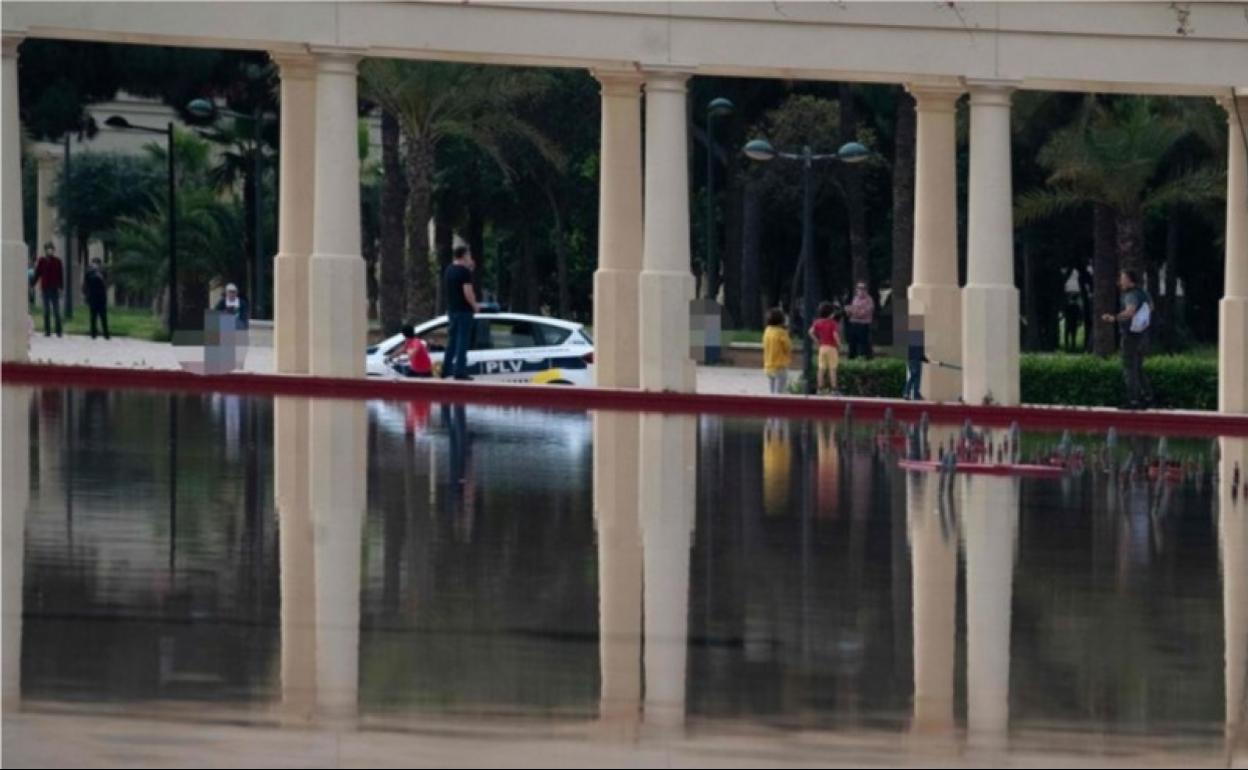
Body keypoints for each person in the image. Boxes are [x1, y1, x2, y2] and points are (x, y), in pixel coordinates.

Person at [1101, 269, 1153, 410]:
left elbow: (1130, 312)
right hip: (1142, 335)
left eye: (1123, 278)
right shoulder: (1143, 293)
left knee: (1129, 368)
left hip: (1130, 336)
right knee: (1139, 368)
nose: (1120, 281)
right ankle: (1148, 397)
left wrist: (1114, 318)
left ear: (1130, 280)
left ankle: (1133, 400)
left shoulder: (1130, 295)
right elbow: (1151, 308)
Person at [442, 245, 480, 381]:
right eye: (468, 254)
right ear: (464, 255)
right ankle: (460, 371)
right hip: (464, 310)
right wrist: (475, 305)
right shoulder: (464, 272)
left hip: (452, 310)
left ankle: (446, 369)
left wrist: (470, 269)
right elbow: (467, 292)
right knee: (462, 341)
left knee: (452, 341)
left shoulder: (449, 270)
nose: (470, 257)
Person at [808, 301, 841, 395]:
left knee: (821, 368)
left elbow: (810, 332)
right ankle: (834, 389)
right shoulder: (833, 323)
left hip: (822, 347)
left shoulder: (817, 322)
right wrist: (839, 344)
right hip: (832, 348)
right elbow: (835, 335)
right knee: (832, 369)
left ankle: (820, 388)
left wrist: (817, 341)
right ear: (830, 314)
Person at [32, 242, 64, 338]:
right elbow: (38, 273)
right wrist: (32, 284)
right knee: (46, 311)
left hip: (54, 288)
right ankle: (47, 331)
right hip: (45, 288)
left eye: (51, 248)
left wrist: (61, 287)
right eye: (48, 248)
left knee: (56, 311)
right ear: (45, 250)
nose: (49, 250)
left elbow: (61, 275)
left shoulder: (58, 261)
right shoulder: (42, 261)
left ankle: (59, 331)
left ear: (53, 250)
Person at [762, 308, 792, 395]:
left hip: (768, 365)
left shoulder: (767, 330)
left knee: (772, 391)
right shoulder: (781, 332)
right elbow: (788, 347)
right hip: (780, 366)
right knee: (780, 392)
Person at [903, 311, 931, 401]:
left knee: (917, 376)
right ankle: (907, 392)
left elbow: (919, 348)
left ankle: (916, 394)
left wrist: (923, 358)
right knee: (914, 375)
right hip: (913, 358)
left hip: (915, 358)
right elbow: (915, 348)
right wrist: (921, 357)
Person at [82, 257, 110, 340]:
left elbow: (106, 284)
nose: (95, 265)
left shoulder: (103, 273)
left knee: (103, 316)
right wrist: (86, 295)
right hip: (92, 297)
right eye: (94, 263)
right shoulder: (89, 273)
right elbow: (85, 285)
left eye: (97, 264)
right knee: (93, 316)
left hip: (101, 297)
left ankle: (106, 334)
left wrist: (100, 276)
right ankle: (93, 333)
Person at [846, 281, 875, 359]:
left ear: (866, 290)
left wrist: (854, 311)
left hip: (863, 324)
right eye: (859, 288)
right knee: (852, 342)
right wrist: (851, 311)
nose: (861, 290)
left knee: (864, 342)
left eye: (863, 288)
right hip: (853, 323)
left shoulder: (869, 300)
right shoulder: (855, 298)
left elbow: (863, 313)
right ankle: (852, 357)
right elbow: (851, 311)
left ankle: (867, 357)